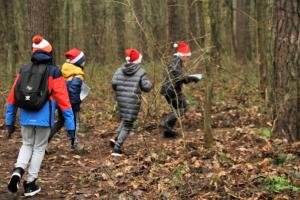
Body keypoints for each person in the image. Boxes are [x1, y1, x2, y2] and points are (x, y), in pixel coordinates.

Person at [6, 35, 76, 197]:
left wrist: (10, 121)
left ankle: (18, 170)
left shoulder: (23, 69)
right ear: (49, 52)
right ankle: (30, 183)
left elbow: (12, 98)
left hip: (25, 115)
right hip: (44, 118)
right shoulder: (54, 71)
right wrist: (71, 127)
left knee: (26, 144)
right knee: (38, 148)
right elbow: (64, 101)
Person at [110, 48, 152, 156]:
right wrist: (149, 82)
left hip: (121, 100)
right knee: (128, 124)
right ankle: (117, 149)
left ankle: (115, 137)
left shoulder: (119, 70)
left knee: (125, 119)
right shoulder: (141, 72)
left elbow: (114, 83)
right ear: (138, 60)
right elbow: (146, 87)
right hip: (133, 102)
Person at [47, 48, 86, 152]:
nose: (84, 62)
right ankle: (75, 144)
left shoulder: (63, 70)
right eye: (83, 61)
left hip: (60, 101)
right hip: (70, 104)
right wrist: (76, 105)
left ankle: (44, 141)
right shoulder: (78, 74)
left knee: (60, 121)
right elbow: (73, 92)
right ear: (78, 62)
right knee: (75, 122)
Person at [160, 41, 199, 138]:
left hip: (168, 89)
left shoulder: (174, 61)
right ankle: (165, 123)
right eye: (186, 56)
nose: (186, 59)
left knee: (177, 109)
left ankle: (168, 132)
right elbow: (179, 77)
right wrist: (192, 78)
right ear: (182, 55)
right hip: (171, 90)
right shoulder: (176, 61)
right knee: (183, 108)